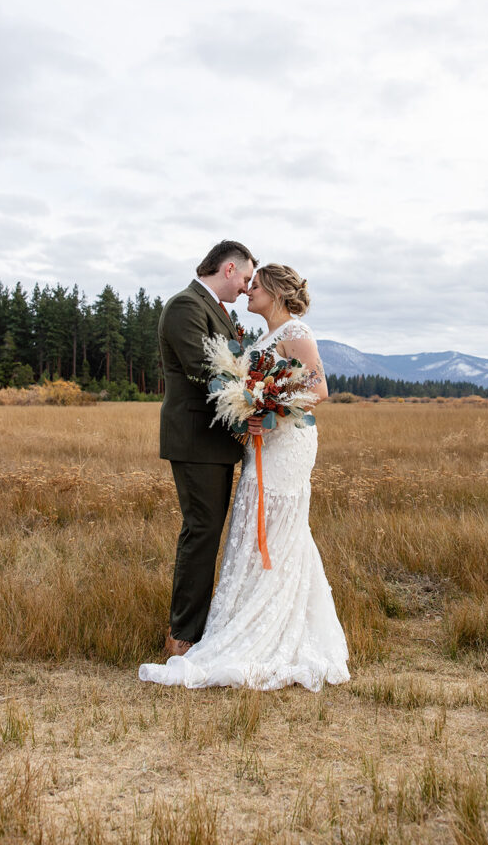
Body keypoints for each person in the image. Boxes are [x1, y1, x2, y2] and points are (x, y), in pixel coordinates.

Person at [140, 264, 350, 691]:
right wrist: (255, 409)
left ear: (273, 291)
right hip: (261, 447)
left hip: (285, 447)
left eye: (255, 285)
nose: (248, 291)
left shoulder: (296, 332)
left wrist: (269, 411)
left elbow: (319, 389)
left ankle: (272, 631)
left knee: (277, 531)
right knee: (259, 530)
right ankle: (250, 618)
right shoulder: (266, 337)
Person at [157, 240, 260, 659]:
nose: (247, 288)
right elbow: (205, 370)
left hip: (213, 441)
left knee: (209, 531)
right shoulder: (185, 305)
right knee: (201, 532)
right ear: (229, 268)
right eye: (248, 279)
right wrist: (257, 396)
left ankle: (198, 628)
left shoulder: (211, 306)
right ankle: (182, 637)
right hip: (195, 438)